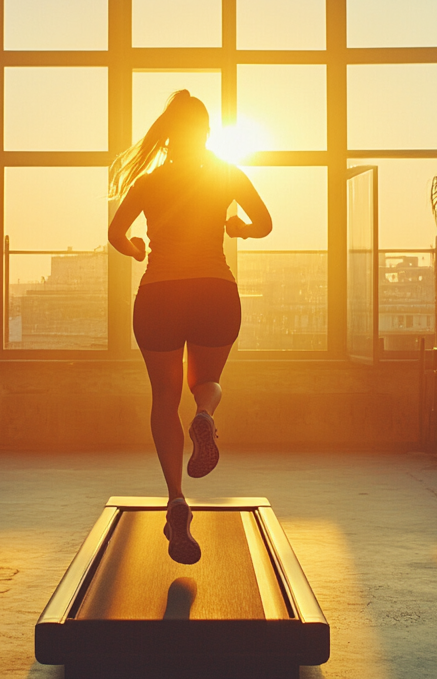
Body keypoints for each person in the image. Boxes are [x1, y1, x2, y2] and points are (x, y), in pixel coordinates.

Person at [107, 90, 272, 565]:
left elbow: (116, 234)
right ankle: (206, 415)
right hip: (214, 292)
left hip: (159, 296)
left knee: (163, 398)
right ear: (205, 133)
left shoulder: (148, 182)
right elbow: (264, 222)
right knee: (205, 382)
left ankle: (176, 498)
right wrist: (237, 228)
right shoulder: (226, 174)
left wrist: (138, 249)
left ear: (167, 133)